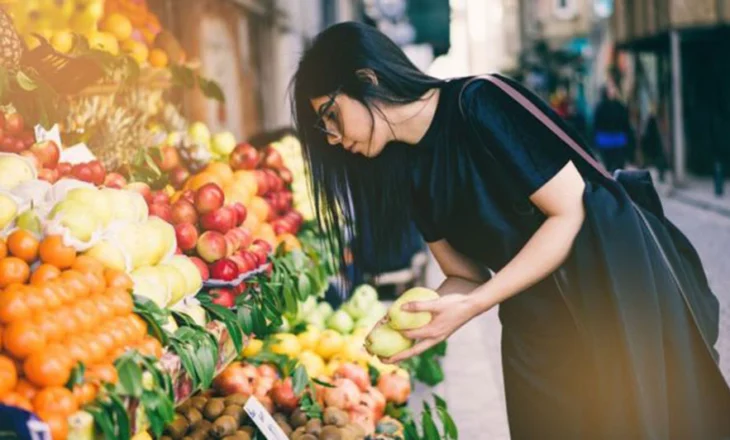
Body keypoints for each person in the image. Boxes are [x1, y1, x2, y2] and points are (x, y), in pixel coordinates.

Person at [291, 22, 730, 439]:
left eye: (330, 115)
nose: (331, 137)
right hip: (534, 332)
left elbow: (568, 213)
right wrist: (420, 324)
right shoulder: (409, 172)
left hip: (607, 299)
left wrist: (475, 304)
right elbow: (466, 275)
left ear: (366, 79)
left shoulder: (479, 102)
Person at [592, 85, 634, 171]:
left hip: (604, 141)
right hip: (618, 141)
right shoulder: (620, 106)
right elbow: (626, 125)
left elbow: (595, 126)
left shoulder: (600, 107)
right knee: (618, 168)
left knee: (609, 166)